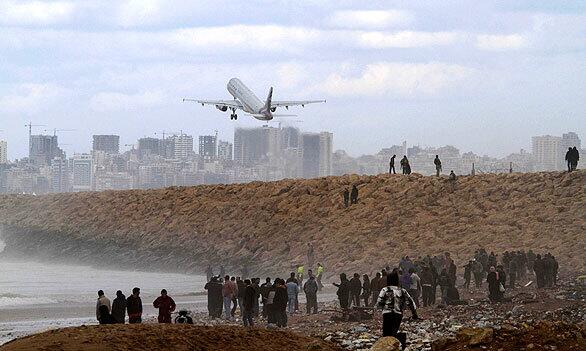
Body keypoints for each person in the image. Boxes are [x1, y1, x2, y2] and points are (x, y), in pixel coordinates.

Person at [376, 271, 419, 343]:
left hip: (387, 314)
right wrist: (414, 314)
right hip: (398, 314)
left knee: (386, 334)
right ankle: (400, 341)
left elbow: (379, 303)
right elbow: (411, 302)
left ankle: (392, 344)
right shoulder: (402, 291)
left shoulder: (384, 290)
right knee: (394, 330)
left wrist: (382, 308)